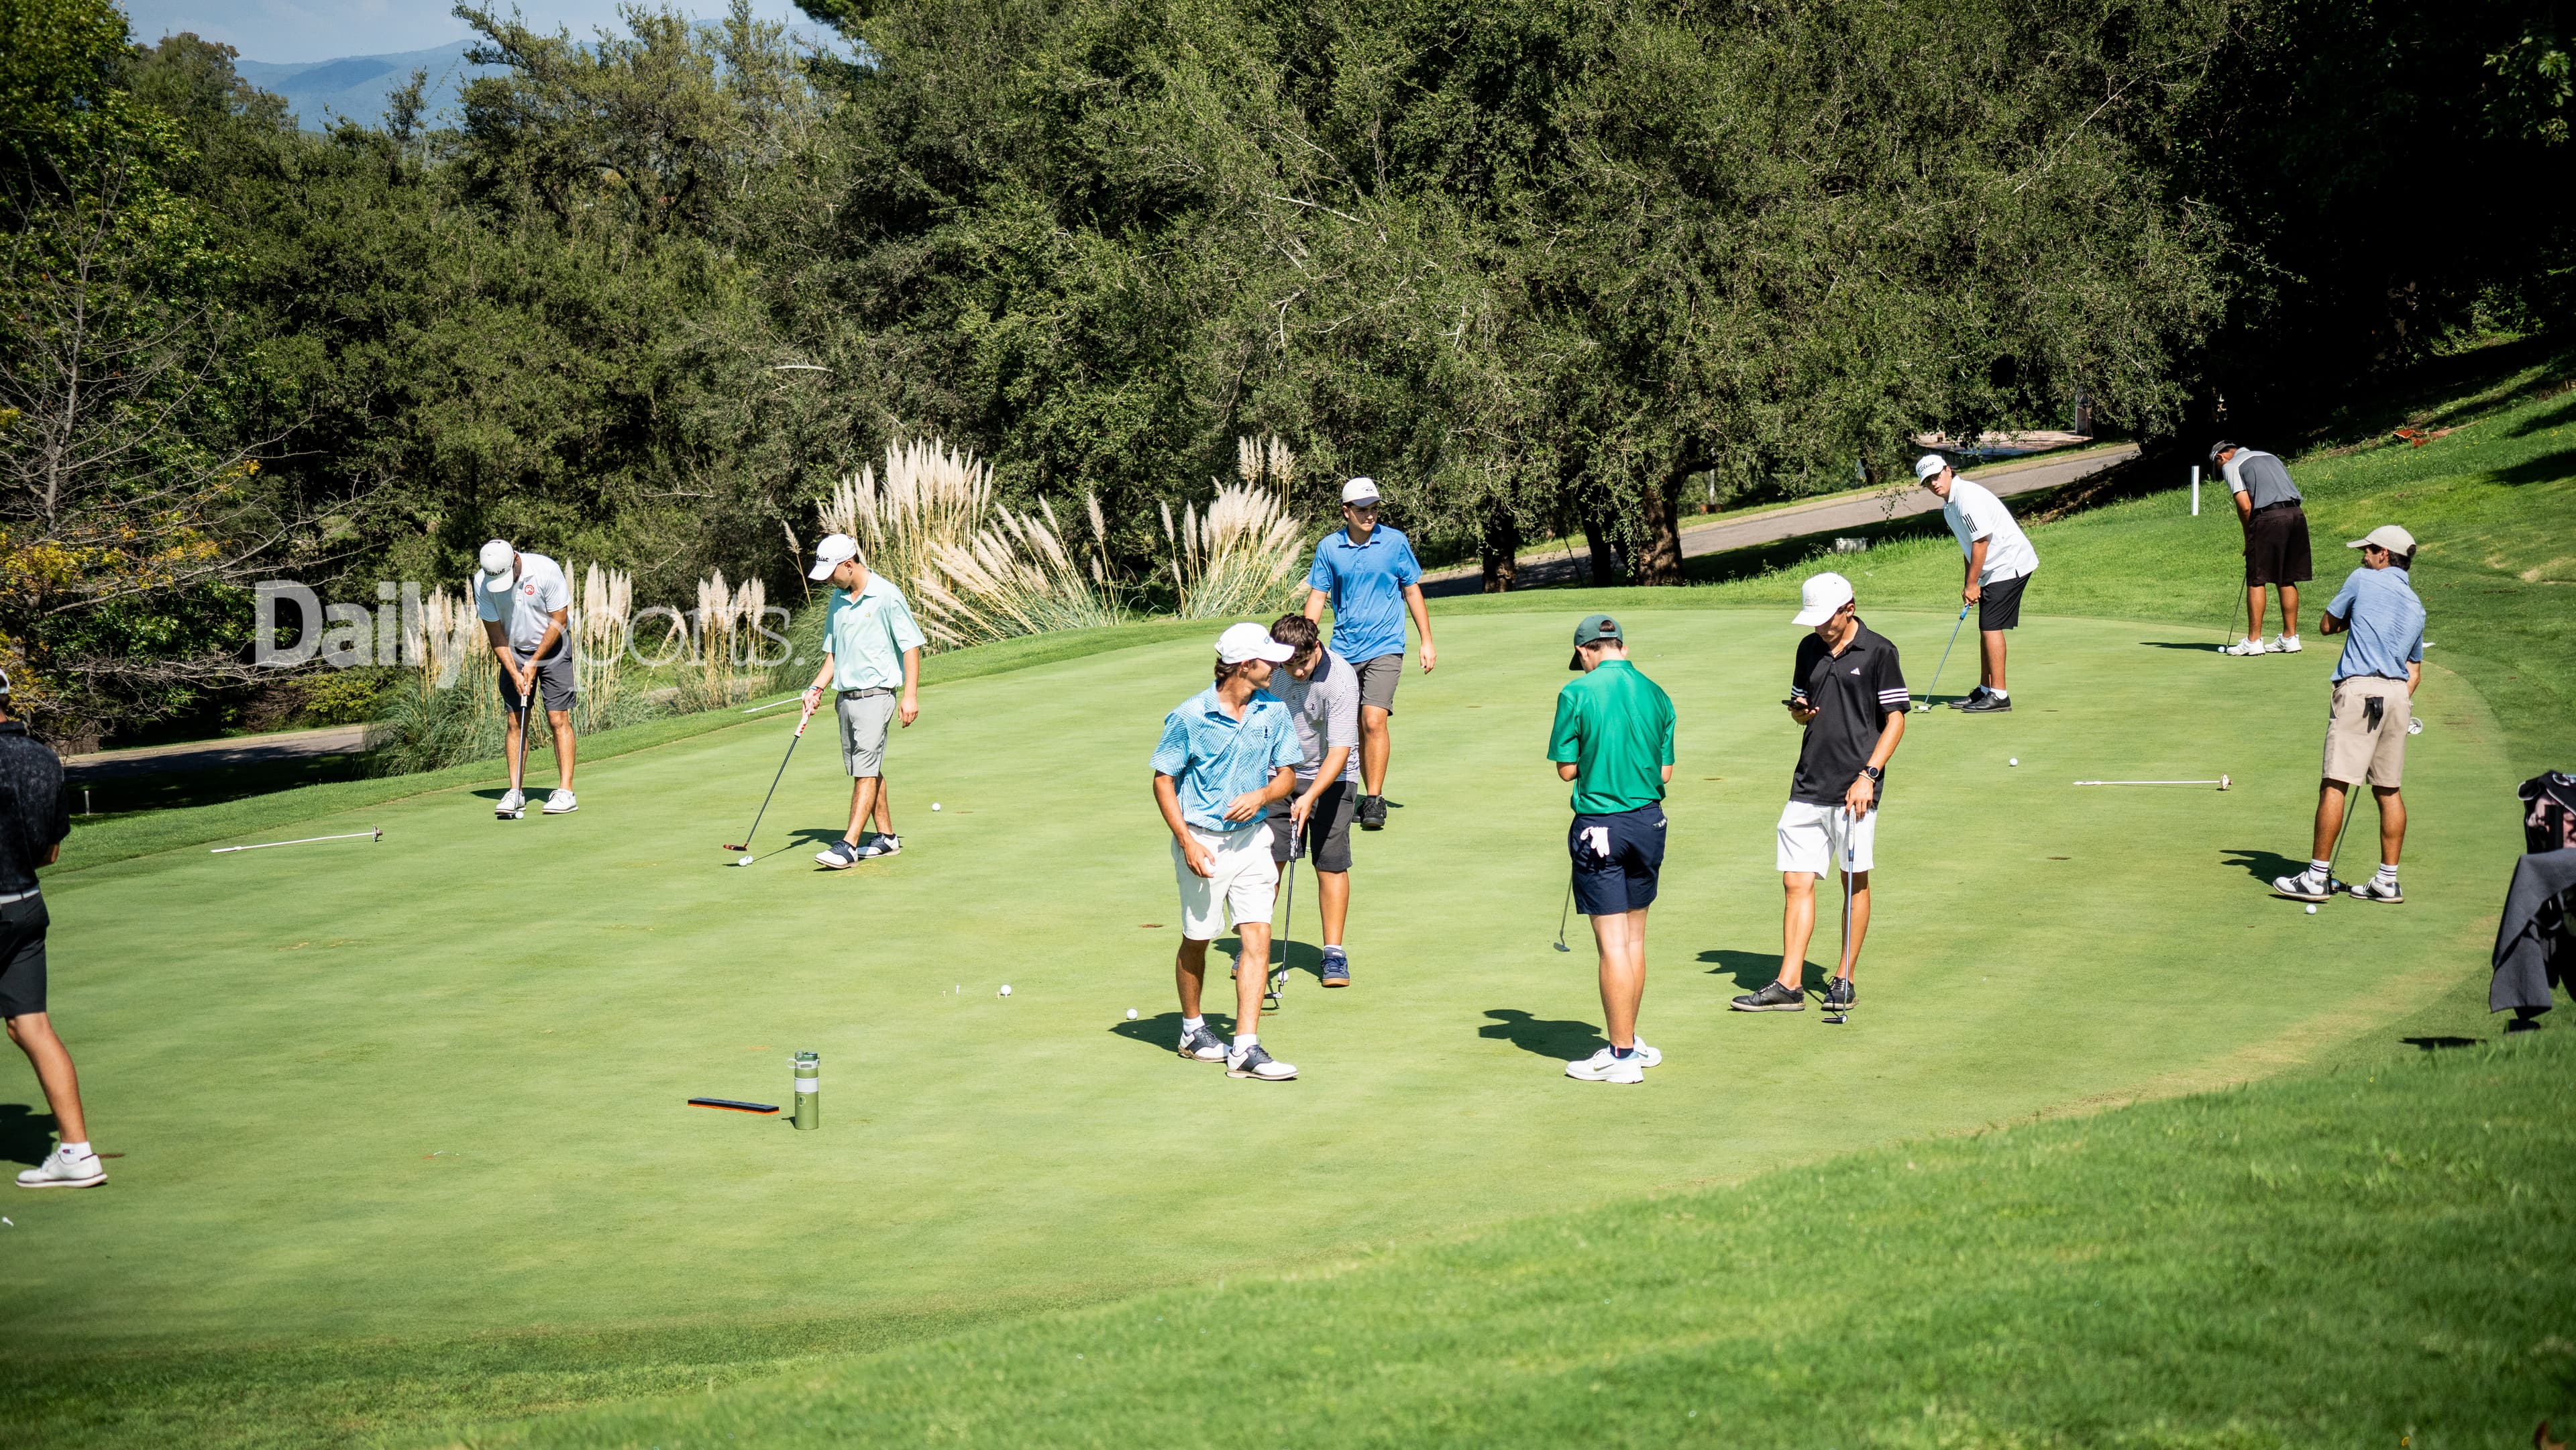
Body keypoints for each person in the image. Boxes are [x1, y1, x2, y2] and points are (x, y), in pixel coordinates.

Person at [1735, 572, 1907, 1013]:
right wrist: (1800, 712)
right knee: (1796, 881)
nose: (1818, 627)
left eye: (1824, 619)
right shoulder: (1808, 648)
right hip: (1808, 782)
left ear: (1848, 608)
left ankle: (1844, 976)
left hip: (1856, 789)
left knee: (1854, 881)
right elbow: (1802, 712)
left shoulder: (1879, 651)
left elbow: (1896, 721)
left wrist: (1869, 774)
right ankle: (1789, 983)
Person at [1152, 623, 1304, 1081]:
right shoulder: (1189, 716)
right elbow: (1163, 780)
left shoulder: (1273, 710)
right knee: (1198, 937)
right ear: (1244, 665)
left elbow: (1288, 775)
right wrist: (1187, 841)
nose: (1277, 665)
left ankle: (1244, 1045)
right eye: (1268, 659)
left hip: (1254, 839)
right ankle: (1193, 1029)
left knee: (1257, 934)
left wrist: (1262, 796)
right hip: (1203, 841)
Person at [1547, 614, 1676, 1084]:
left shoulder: (1576, 693)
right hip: (1649, 823)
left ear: (1586, 650)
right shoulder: (1657, 692)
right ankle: (1631, 1039)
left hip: (1600, 826)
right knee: (1635, 939)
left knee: (1612, 945)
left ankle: (1621, 1056)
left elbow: (1565, 768)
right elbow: (1664, 773)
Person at [2272, 525, 2424, 904]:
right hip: (2397, 696)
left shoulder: (2361, 580)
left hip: (2360, 691)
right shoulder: (2416, 604)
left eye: (2369, 550)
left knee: (2335, 782)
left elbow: (2326, 625)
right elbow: (2415, 670)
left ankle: (2316, 878)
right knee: (2388, 790)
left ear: (2384, 555)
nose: (2363, 556)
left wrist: (2350, 623)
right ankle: (2387, 882)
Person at [0, 672, 102, 1189]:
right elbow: (51, 850)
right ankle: (77, 1152)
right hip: (25, 905)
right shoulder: (42, 757)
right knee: (30, 1026)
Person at [1301, 476, 1436, 831]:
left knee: (1374, 720)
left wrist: (1426, 640)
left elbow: (1412, 590)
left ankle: (1373, 799)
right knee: (1346, 724)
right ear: (1346, 511)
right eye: (1362, 510)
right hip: (1344, 650)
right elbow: (1317, 597)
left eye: (1374, 508)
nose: (1369, 515)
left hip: (1386, 646)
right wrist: (1305, 641)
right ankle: (1343, 792)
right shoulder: (1329, 548)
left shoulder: (1394, 542)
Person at [800, 533, 924, 869]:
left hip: (876, 696)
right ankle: (886, 838)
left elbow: (910, 645)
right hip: (846, 699)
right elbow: (833, 656)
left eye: (831, 573)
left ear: (849, 564)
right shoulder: (837, 601)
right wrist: (814, 690)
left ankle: (849, 844)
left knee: (864, 771)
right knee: (866, 769)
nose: (827, 580)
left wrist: (910, 696)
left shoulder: (886, 595)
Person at [1265, 614, 1360, 987]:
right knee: (1268, 862)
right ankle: (1256, 945)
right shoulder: (1271, 669)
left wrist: (1309, 798)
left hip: (1334, 777)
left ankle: (1334, 954)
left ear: (1316, 647)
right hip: (1280, 774)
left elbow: (1339, 751)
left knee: (1330, 863)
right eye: (1288, 665)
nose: (1296, 672)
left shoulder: (1340, 679)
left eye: (1301, 664)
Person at [1915, 455, 2038, 713]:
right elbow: (1968, 547)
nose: (1934, 484)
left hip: (2009, 564)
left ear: (1948, 471)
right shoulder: (1950, 506)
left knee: (1990, 626)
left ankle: (2000, 695)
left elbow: (1981, 540)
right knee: (1986, 624)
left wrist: (1973, 584)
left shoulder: (1965, 497)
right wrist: (1969, 583)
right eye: (1928, 482)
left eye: (1936, 476)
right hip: (1992, 569)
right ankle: (1985, 690)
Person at [477, 539, 578, 816]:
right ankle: (515, 791)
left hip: (554, 646)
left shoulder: (546, 570)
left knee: (558, 718)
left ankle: (566, 792)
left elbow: (559, 619)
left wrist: (534, 663)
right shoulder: (483, 581)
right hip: (514, 650)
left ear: (516, 560)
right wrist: (513, 670)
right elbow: (495, 633)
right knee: (515, 720)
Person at [2211, 441, 2313, 656]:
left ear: (2220, 457)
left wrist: (2249, 537)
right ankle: (2289, 638)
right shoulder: (2270, 456)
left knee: (2257, 578)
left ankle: (2253, 641)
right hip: (2296, 515)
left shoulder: (2231, 466)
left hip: (2269, 518)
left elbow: (2245, 506)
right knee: (2286, 576)